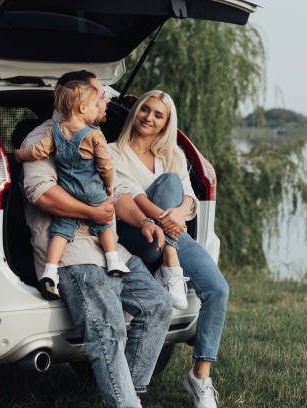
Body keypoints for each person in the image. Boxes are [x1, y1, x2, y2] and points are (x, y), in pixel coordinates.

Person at [21, 71, 172, 408]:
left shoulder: (95, 136)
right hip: (72, 253)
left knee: (158, 304)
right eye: (102, 95)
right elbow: (40, 192)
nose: (108, 101)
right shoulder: (46, 137)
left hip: (110, 250)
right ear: (82, 99)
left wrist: (144, 220)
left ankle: (126, 397)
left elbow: (114, 191)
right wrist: (92, 213)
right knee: (109, 329)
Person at [109, 90, 230, 408]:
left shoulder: (171, 154)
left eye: (158, 114)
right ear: (134, 112)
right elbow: (131, 197)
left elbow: (190, 201)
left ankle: (200, 377)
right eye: (144, 110)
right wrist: (166, 218)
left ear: (166, 123)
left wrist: (177, 214)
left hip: (170, 232)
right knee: (167, 186)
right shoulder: (112, 152)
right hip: (137, 234)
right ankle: (170, 263)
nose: (148, 117)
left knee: (218, 289)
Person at [15, 80, 129, 299]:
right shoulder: (95, 134)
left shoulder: (55, 131)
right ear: (83, 109)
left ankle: (50, 272)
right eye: (96, 104)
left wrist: (20, 155)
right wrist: (107, 183)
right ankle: (113, 259)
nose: (100, 107)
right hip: (92, 191)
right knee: (105, 223)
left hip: (68, 190)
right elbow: (105, 165)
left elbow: (38, 152)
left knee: (60, 231)